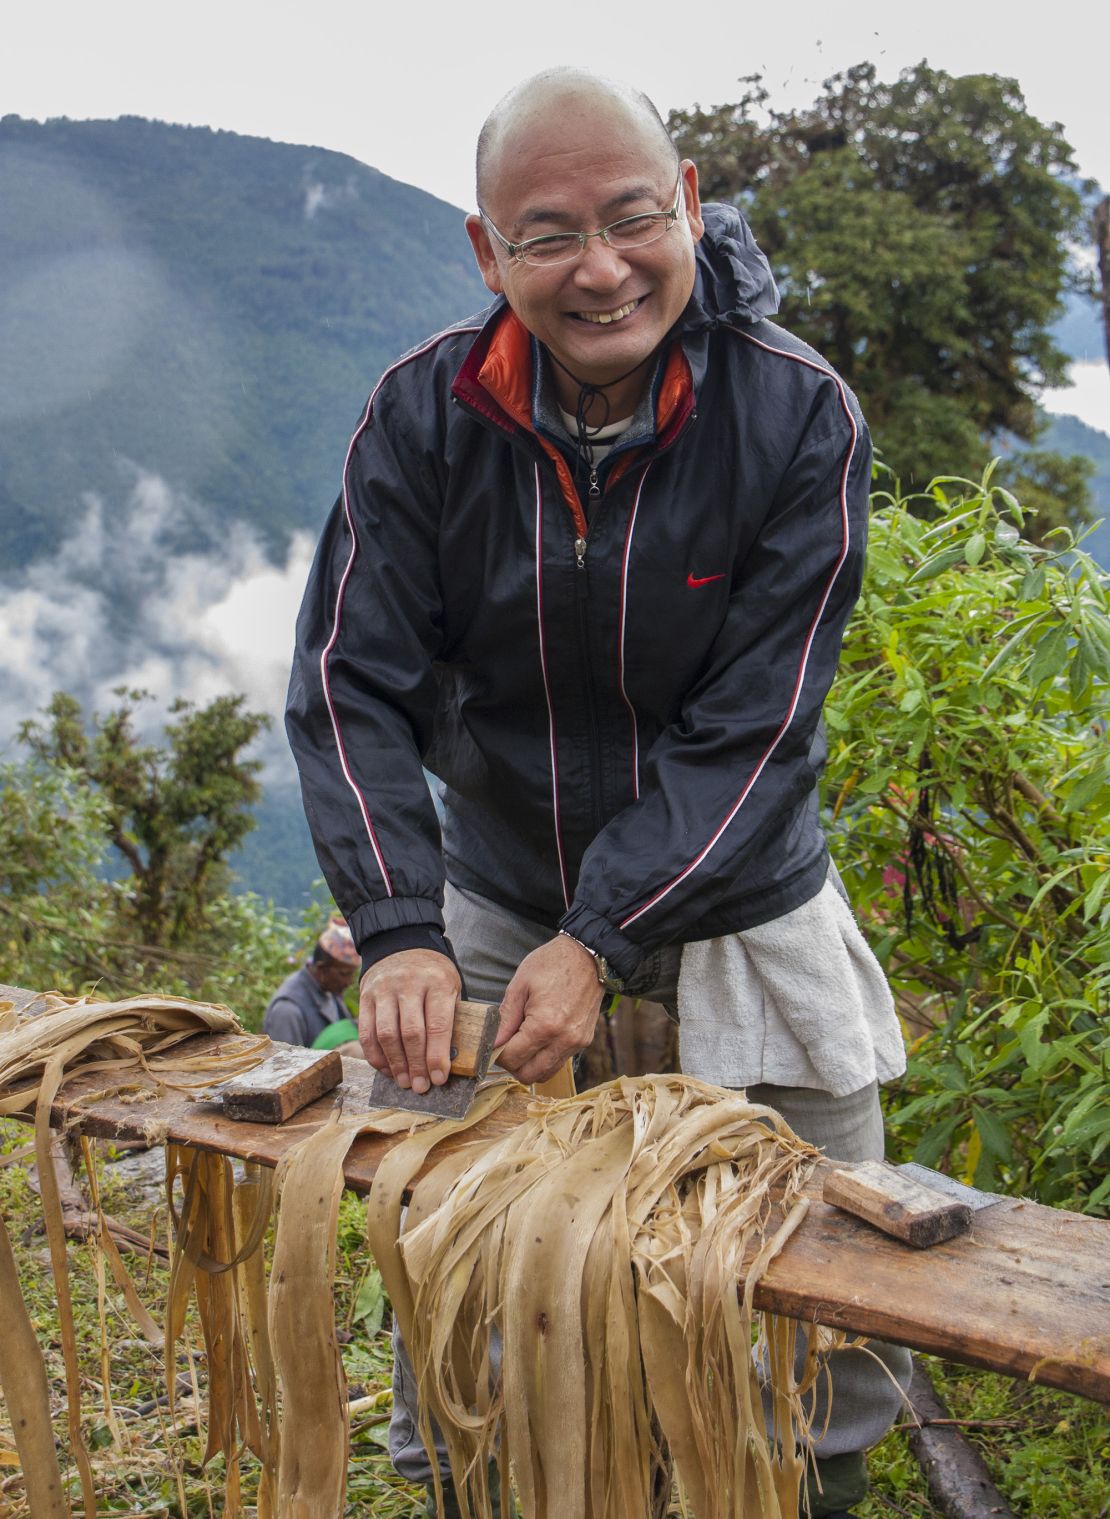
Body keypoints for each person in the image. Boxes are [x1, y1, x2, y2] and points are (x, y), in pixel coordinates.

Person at [287, 67, 909, 1519]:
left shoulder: (794, 414)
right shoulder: (422, 417)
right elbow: (347, 684)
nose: (602, 267)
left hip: (742, 911)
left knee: (810, 1308)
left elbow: (756, 729)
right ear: (485, 251)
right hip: (498, 902)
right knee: (467, 1288)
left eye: (633, 218)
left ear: (687, 203)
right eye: (547, 232)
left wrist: (606, 930)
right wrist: (397, 927)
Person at [261, 917, 360, 1047]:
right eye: (344, 974)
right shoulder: (287, 1010)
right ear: (322, 969)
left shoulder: (330, 990)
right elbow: (283, 1064)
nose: (349, 982)